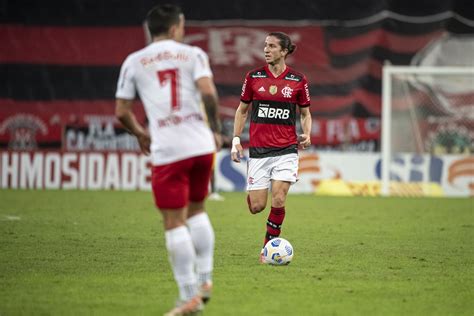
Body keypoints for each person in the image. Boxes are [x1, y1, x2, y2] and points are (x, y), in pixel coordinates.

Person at [115, 4, 222, 315]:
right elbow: (209, 93)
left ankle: (188, 295)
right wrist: (215, 130)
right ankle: (205, 280)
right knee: (198, 211)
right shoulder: (194, 55)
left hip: (168, 150)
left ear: (151, 29)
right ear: (177, 27)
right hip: (202, 147)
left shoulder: (134, 62)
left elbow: (121, 112)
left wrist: (139, 133)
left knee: (174, 222)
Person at [230, 32, 312, 262]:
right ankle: (253, 194)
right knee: (257, 207)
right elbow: (242, 110)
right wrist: (236, 140)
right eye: (265, 46)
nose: (266, 50)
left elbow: (305, 113)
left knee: (279, 198)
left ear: (284, 51)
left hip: (286, 149)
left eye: (272, 46)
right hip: (258, 151)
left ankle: (267, 249)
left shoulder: (298, 80)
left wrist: (307, 132)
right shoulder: (253, 77)